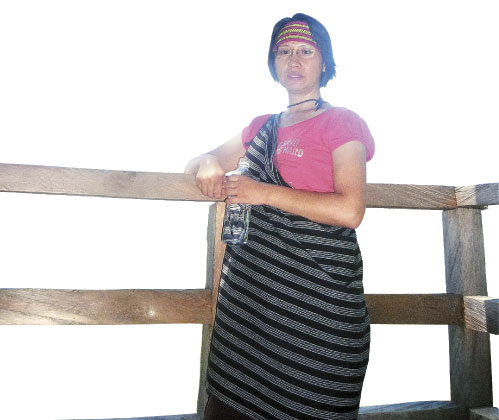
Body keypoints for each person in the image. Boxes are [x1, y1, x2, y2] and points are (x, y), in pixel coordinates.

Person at [185, 13, 374, 420]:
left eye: (306, 51)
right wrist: (210, 164)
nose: (294, 60)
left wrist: (261, 192)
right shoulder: (262, 127)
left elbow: (350, 209)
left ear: (324, 62)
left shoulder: (342, 122)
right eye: (284, 51)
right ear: (273, 62)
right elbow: (201, 160)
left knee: (313, 402)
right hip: (250, 310)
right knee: (230, 403)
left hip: (319, 311)